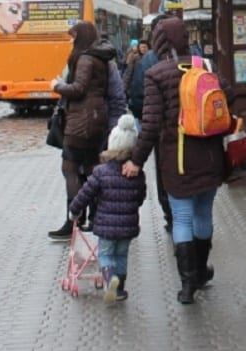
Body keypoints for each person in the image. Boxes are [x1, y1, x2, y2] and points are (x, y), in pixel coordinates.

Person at [122, 16, 225, 304]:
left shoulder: (156, 73)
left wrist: (136, 160)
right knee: (203, 213)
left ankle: (187, 285)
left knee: (181, 216)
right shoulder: (205, 66)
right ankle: (201, 270)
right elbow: (228, 96)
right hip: (209, 153)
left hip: (177, 157)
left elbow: (151, 124)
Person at [47, 21, 128, 240]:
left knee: (72, 168)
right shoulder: (97, 59)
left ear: (81, 38)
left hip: (84, 123)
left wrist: (57, 86)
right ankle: (91, 217)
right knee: (91, 169)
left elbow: (82, 90)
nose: (70, 41)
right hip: (92, 121)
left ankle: (76, 219)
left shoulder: (87, 59)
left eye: (73, 37)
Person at [67, 113, 146, 305]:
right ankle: (119, 290)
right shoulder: (137, 173)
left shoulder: (101, 172)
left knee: (106, 254)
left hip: (106, 226)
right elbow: (141, 197)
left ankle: (110, 279)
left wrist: (74, 210)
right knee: (121, 255)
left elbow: (85, 194)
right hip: (128, 226)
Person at [125, 24, 171, 232]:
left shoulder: (149, 61)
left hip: (163, 132)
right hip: (197, 133)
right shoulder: (196, 59)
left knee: (165, 173)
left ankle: (171, 215)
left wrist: (137, 159)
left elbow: (138, 96)